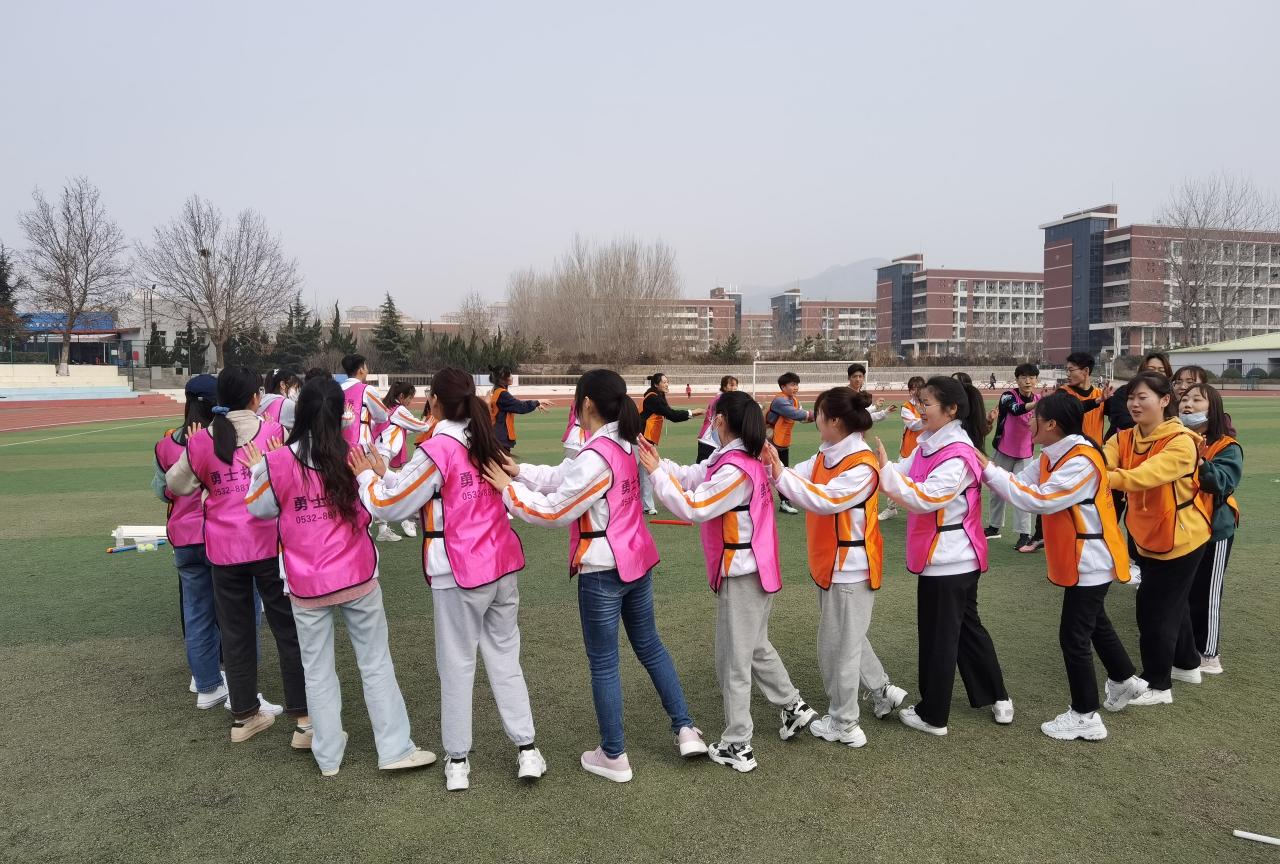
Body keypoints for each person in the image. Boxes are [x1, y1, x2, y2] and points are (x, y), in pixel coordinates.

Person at [485, 369, 707, 783]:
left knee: (605, 664)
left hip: (603, 568)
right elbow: (567, 478)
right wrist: (520, 471)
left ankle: (614, 754)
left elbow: (555, 510)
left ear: (586, 403)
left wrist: (507, 490)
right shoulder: (625, 441)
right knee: (651, 647)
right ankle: (685, 729)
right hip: (636, 559)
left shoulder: (597, 453)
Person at [357, 368, 545, 791]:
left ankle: (458, 759)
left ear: (436, 401)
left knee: (457, 665)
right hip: (500, 564)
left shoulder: (438, 448)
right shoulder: (483, 438)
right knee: (505, 659)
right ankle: (527, 749)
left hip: (458, 571)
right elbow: (423, 492)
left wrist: (366, 476)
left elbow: (390, 506)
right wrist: (384, 476)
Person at [244, 377, 435, 776]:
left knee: (317, 670)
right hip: (356, 574)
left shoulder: (279, 460)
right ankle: (394, 749)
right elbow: (376, 502)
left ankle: (328, 756)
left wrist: (261, 469)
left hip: (306, 582)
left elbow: (259, 509)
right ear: (340, 415)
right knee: (375, 662)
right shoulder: (355, 455)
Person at [640, 392, 818, 772]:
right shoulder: (739, 459)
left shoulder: (735, 469)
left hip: (743, 574)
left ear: (720, 420)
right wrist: (659, 463)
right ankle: (792, 706)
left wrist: (655, 474)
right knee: (755, 647)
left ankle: (739, 744)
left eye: (712, 416)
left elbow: (695, 506)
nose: (709, 421)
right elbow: (694, 475)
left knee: (733, 661)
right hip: (754, 570)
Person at [979, 393, 1144, 741]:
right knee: (1095, 622)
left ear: (1052, 424)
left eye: (1035, 417)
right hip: (1083, 556)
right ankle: (1124, 679)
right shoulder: (1053, 454)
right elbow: (1019, 481)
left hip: (1091, 557)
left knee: (1074, 636)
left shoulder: (1080, 461)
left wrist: (987, 468)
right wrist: (983, 466)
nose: (1029, 421)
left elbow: (1037, 499)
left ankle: (1085, 715)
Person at [165, 366, 309, 744]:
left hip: (224, 551)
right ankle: (304, 719)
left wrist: (203, 477)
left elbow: (175, 483)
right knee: (288, 631)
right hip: (268, 546)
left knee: (235, 634)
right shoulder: (273, 432)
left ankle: (245, 715)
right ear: (255, 397)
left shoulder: (202, 440)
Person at [764, 387, 908, 746]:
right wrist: (770, 467)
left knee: (838, 648)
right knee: (848, 637)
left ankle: (845, 723)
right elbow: (799, 475)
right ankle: (882, 690)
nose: (815, 420)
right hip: (834, 565)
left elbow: (824, 499)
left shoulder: (861, 465)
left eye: (819, 415)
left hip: (850, 568)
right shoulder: (828, 452)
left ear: (835, 421)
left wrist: (779, 474)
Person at [874, 376, 1012, 736]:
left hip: (948, 558)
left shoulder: (957, 453)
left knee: (940, 638)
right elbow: (900, 473)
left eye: (926, 403)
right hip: (951, 557)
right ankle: (998, 696)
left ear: (951, 410)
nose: (919, 409)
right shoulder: (929, 445)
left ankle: (933, 715)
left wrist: (884, 471)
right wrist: (879, 467)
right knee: (967, 631)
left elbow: (926, 497)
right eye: (919, 401)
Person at [1104, 371, 1213, 707]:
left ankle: (1158, 684)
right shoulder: (1124, 437)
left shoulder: (1181, 442)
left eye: (1143, 397)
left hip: (1182, 538)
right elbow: (1104, 459)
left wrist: (1095, 477)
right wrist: (1094, 468)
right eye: (1131, 398)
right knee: (1172, 604)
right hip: (1148, 535)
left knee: (1154, 610)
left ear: (1165, 400)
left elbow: (1142, 477)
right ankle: (1187, 664)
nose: (1134, 404)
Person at [153, 374, 225, 709]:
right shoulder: (224, 438)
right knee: (233, 611)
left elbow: (162, 490)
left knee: (196, 613)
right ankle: (231, 678)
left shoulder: (167, 443)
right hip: (220, 536)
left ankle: (205, 681)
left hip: (184, 537)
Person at [1175, 383, 1242, 676]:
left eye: (1197, 400)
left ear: (1212, 408)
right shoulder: (1176, 438)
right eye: (1184, 399)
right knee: (1183, 591)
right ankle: (1186, 648)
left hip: (1215, 529)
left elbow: (1223, 483)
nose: (1187, 404)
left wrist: (1200, 461)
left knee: (1207, 593)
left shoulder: (1226, 446)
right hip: (1184, 528)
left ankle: (1209, 653)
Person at [984, 363, 1040, 550]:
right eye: (1023, 377)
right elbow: (1015, 409)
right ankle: (994, 527)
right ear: (1017, 380)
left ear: (1036, 380)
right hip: (1004, 450)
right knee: (997, 489)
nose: (1027, 381)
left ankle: (1024, 534)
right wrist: (1036, 405)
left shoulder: (1039, 399)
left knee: (1022, 492)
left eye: (1031, 377)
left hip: (1025, 454)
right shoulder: (1008, 396)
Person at [370, 381, 432, 542]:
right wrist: (431, 420)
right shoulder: (399, 410)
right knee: (382, 488)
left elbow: (402, 428)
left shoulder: (388, 407)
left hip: (378, 452)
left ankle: (404, 518)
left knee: (384, 486)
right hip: (381, 454)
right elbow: (421, 427)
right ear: (402, 396)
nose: (411, 402)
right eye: (410, 398)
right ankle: (392, 524)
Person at [639, 372, 703, 514]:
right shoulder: (653, 398)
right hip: (639, 437)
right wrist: (692, 413)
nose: (667, 384)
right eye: (664, 382)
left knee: (645, 471)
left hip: (646, 439)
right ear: (656, 384)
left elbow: (669, 414)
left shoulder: (657, 396)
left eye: (667, 381)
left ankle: (646, 506)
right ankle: (643, 506)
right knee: (641, 471)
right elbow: (672, 415)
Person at [766, 372, 814, 515]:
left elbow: (801, 417)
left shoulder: (794, 400)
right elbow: (796, 414)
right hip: (769, 441)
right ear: (783, 387)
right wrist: (816, 414)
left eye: (797, 384)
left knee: (782, 472)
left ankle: (784, 502)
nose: (796, 387)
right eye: (792, 384)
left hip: (781, 442)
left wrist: (812, 418)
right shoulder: (780, 401)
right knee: (768, 471)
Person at [880, 376, 926, 522]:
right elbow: (913, 425)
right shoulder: (907, 406)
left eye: (917, 388)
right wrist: (927, 418)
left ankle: (922, 510)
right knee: (896, 478)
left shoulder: (929, 403)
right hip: (908, 450)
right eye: (912, 389)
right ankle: (891, 508)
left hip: (926, 449)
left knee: (923, 480)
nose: (914, 391)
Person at [1104, 352, 1172, 442]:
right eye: (1151, 369)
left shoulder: (1172, 397)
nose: (1156, 373)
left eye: (1161, 371)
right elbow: (1121, 420)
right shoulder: (1124, 392)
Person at [488, 366, 553, 452]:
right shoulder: (502, 394)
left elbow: (514, 403)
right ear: (503, 378)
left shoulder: (496, 391)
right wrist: (537, 402)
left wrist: (535, 404)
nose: (512, 377)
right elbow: (520, 406)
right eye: (510, 375)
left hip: (495, 436)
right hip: (499, 438)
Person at [339, 354, 389, 448]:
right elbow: (383, 416)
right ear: (361, 370)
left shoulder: (337, 389)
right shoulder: (367, 389)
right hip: (361, 445)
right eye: (366, 367)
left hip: (339, 444)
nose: (367, 371)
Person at [1063, 352, 1106, 444]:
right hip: (1071, 450)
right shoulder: (1062, 392)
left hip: (1094, 450)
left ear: (1086, 371)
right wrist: (1095, 401)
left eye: (1071, 370)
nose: (1067, 374)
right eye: (1067, 370)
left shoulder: (1100, 394)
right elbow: (1071, 408)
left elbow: (1119, 418)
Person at [695, 375, 738, 463]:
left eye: (736, 385)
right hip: (709, 440)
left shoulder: (721, 397)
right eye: (731, 385)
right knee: (704, 468)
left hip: (710, 440)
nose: (735, 388)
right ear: (724, 387)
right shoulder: (722, 399)